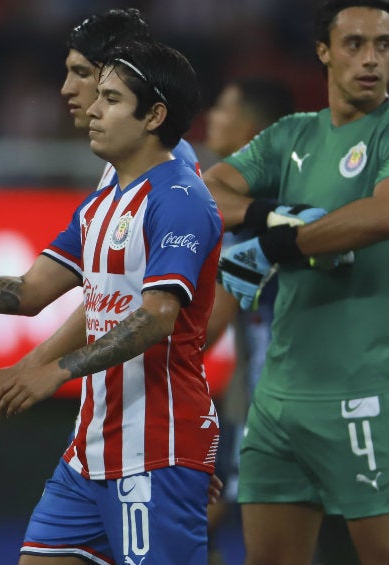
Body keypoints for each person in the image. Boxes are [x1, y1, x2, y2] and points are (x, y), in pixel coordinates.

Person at [0, 40, 221, 564]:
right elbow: (29, 291)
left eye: (111, 100)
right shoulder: (101, 203)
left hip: (156, 449)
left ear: (154, 116)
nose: (92, 109)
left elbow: (159, 316)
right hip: (88, 453)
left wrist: (54, 371)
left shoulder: (181, 199)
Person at [206, 1, 389, 563]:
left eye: (384, 46)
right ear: (323, 52)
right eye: (355, 44)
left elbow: (381, 214)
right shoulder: (293, 134)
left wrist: (279, 244)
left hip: (365, 392)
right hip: (278, 399)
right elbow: (206, 191)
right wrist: (275, 217)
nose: (372, 59)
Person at [200, 77, 295, 562]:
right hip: (269, 393)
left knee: (192, 525)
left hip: (283, 402)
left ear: (250, 129)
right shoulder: (276, 199)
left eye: (222, 108)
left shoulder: (254, 212)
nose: (211, 118)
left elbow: (207, 326)